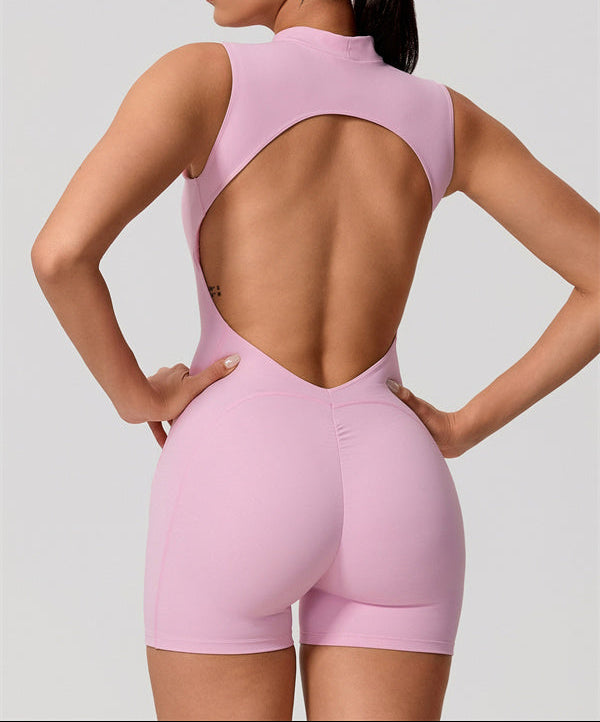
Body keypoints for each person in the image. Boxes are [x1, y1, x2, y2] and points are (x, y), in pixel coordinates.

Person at [30, 0, 599, 720]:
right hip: (397, 483)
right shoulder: (445, 115)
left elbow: (60, 255)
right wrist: (463, 427)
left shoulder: (205, 79)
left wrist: (136, 397)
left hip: (237, 467)